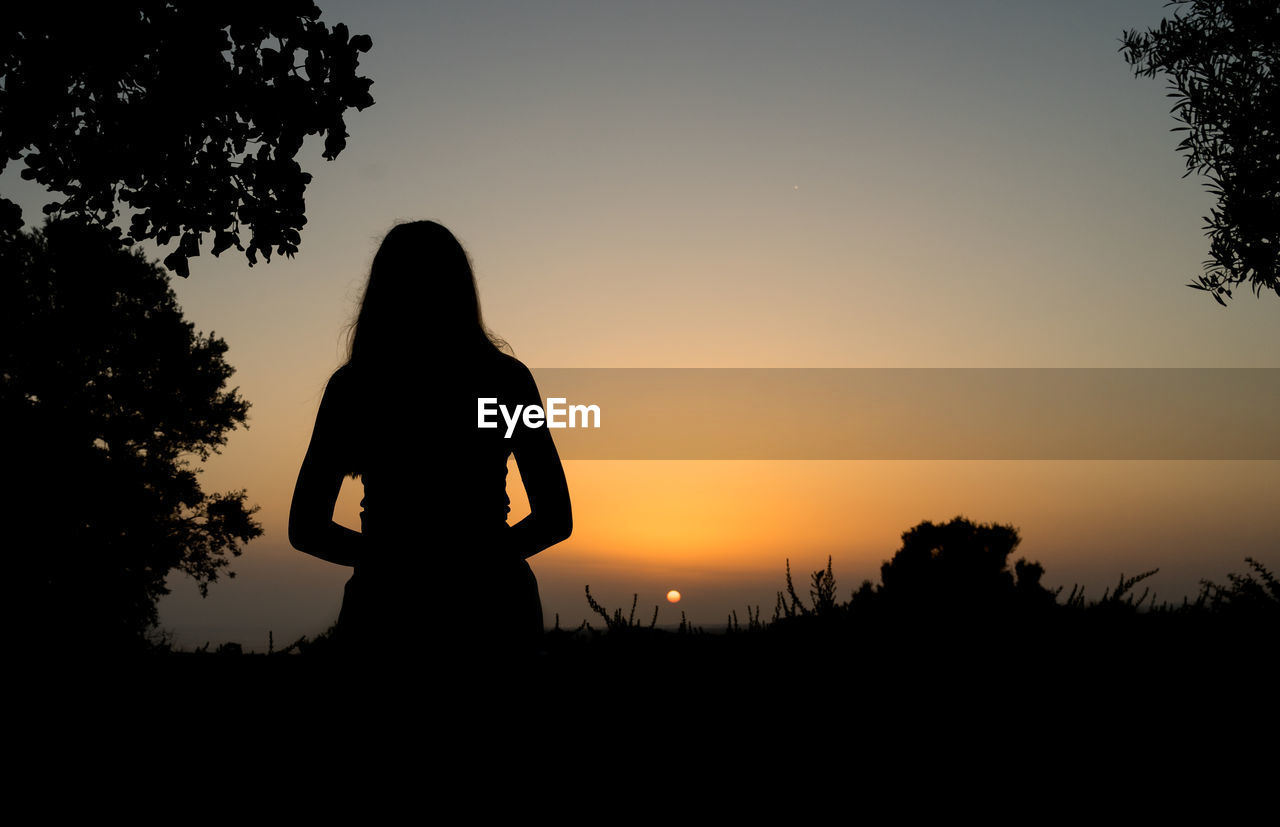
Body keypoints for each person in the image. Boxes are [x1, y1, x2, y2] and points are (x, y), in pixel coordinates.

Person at [288, 221, 571, 660]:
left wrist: (390, 565)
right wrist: (480, 563)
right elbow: (556, 517)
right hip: (491, 609)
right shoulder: (504, 379)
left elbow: (306, 527)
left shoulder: (355, 387)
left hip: (388, 611)